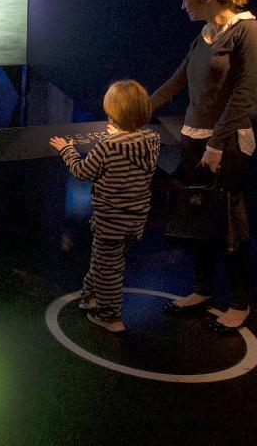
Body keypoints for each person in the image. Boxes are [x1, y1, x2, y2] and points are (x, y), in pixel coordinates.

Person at [152, 0, 257, 333]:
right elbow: (176, 82)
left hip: (228, 142)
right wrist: (137, 110)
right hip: (194, 136)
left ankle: (238, 301)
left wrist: (217, 144)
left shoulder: (249, 32)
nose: (182, 3)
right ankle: (202, 289)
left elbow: (243, 96)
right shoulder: (204, 34)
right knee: (197, 216)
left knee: (229, 219)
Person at [50, 80, 161, 333]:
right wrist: (121, 134)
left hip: (111, 221)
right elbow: (130, 145)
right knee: (103, 259)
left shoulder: (108, 146)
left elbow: (82, 171)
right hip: (135, 219)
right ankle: (90, 295)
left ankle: (110, 317)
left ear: (113, 113)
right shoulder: (152, 139)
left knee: (110, 267)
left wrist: (66, 149)